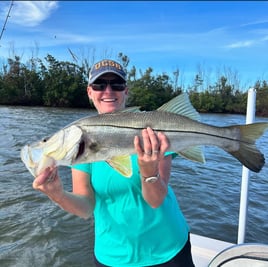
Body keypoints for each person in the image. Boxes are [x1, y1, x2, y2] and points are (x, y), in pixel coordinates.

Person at [33, 59, 195, 267]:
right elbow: (86, 208)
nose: (108, 91)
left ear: (126, 91)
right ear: (90, 92)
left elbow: (155, 200)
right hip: (112, 256)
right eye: (100, 85)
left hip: (168, 249)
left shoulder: (153, 128)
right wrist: (57, 194)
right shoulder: (80, 145)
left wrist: (148, 172)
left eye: (116, 85)